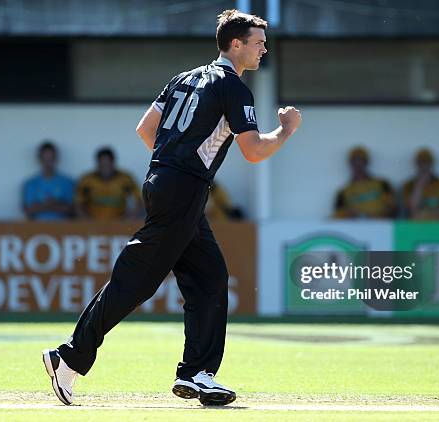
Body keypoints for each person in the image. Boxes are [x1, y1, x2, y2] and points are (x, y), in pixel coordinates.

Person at [42, 9, 301, 407]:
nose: (264, 49)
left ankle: (198, 374)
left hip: (168, 182)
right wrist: (286, 130)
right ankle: (70, 357)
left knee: (210, 278)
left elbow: (146, 129)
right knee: (136, 281)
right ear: (236, 44)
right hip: (182, 188)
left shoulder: (184, 78)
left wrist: (174, 163)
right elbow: (253, 151)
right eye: (258, 42)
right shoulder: (233, 87)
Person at [75, 147, 142, 220]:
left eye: (108, 164)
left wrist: (129, 218)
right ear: (97, 163)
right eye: (102, 164)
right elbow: (78, 204)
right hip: (93, 224)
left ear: (113, 162)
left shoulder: (126, 179)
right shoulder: (87, 181)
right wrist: (87, 221)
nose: (105, 167)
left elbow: (138, 201)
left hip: (120, 223)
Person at [332, 146, 396, 219]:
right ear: (350, 163)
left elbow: (393, 209)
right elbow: (338, 216)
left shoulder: (383, 184)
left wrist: (372, 217)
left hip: (381, 226)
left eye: (361, 160)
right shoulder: (343, 192)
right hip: (357, 229)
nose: (358, 164)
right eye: (354, 160)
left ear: (367, 162)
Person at [22, 141, 74, 220]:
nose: (48, 161)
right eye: (45, 158)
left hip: (63, 229)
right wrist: (55, 204)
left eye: (51, 158)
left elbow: (72, 209)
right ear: (39, 158)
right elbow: (29, 210)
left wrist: (42, 205)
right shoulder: (30, 183)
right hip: (37, 229)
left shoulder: (68, 182)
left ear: (56, 158)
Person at [401, 148, 439, 220]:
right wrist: (419, 186)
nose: (424, 166)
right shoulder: (408, 185)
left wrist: (433, 214)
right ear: (416, 164)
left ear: (432, 163)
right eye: (420, 162)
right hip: (416, 225)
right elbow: (410, 209)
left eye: (427, 162)